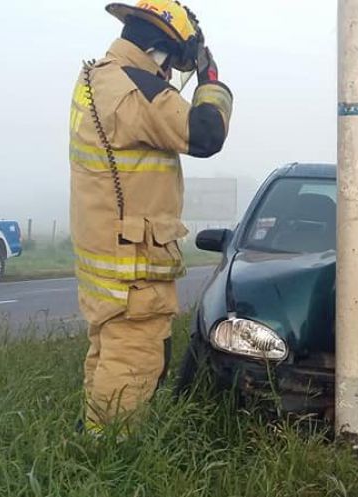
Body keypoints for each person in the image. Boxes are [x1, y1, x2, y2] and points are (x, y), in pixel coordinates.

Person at [69, 0, 233, 435]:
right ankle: (111, 466)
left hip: (106, 261)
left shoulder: (94, 79)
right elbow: (206, 132)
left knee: (107, 359)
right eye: (174, 65)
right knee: (132, 364)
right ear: (161, 50)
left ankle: (92, 442)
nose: (169, 77)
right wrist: (210, 80)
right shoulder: (134, 88)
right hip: (132, 270)